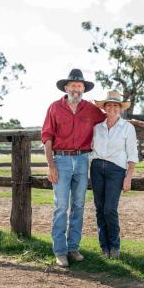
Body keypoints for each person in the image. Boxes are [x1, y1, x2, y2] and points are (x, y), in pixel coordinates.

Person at [41, 69, 106, 267]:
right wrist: (50, 165)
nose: (76, 89)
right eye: (73, 85)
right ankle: (60, 251)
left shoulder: (91, 110)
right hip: (61, 160)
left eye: (79, 86)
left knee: (78, 206)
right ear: (66, 87)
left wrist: (133, 123)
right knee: (61, 206)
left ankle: (73, 247)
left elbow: (110, 120)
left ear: (83, 89)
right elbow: (47, 137)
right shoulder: (54, 108)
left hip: (82, 160)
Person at [90, 90, 139, 258]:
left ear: (120, 108)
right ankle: (104, 247)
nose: (112, 108)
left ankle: (115, 247)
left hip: (116, 170)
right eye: (109, 105)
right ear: (104, 108)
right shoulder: (97, 127)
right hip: (96, 168)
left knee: (110, 208)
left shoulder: (128, 128)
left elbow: (132, 154)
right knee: (99, 209)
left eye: (116, 105)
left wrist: (129, 177)